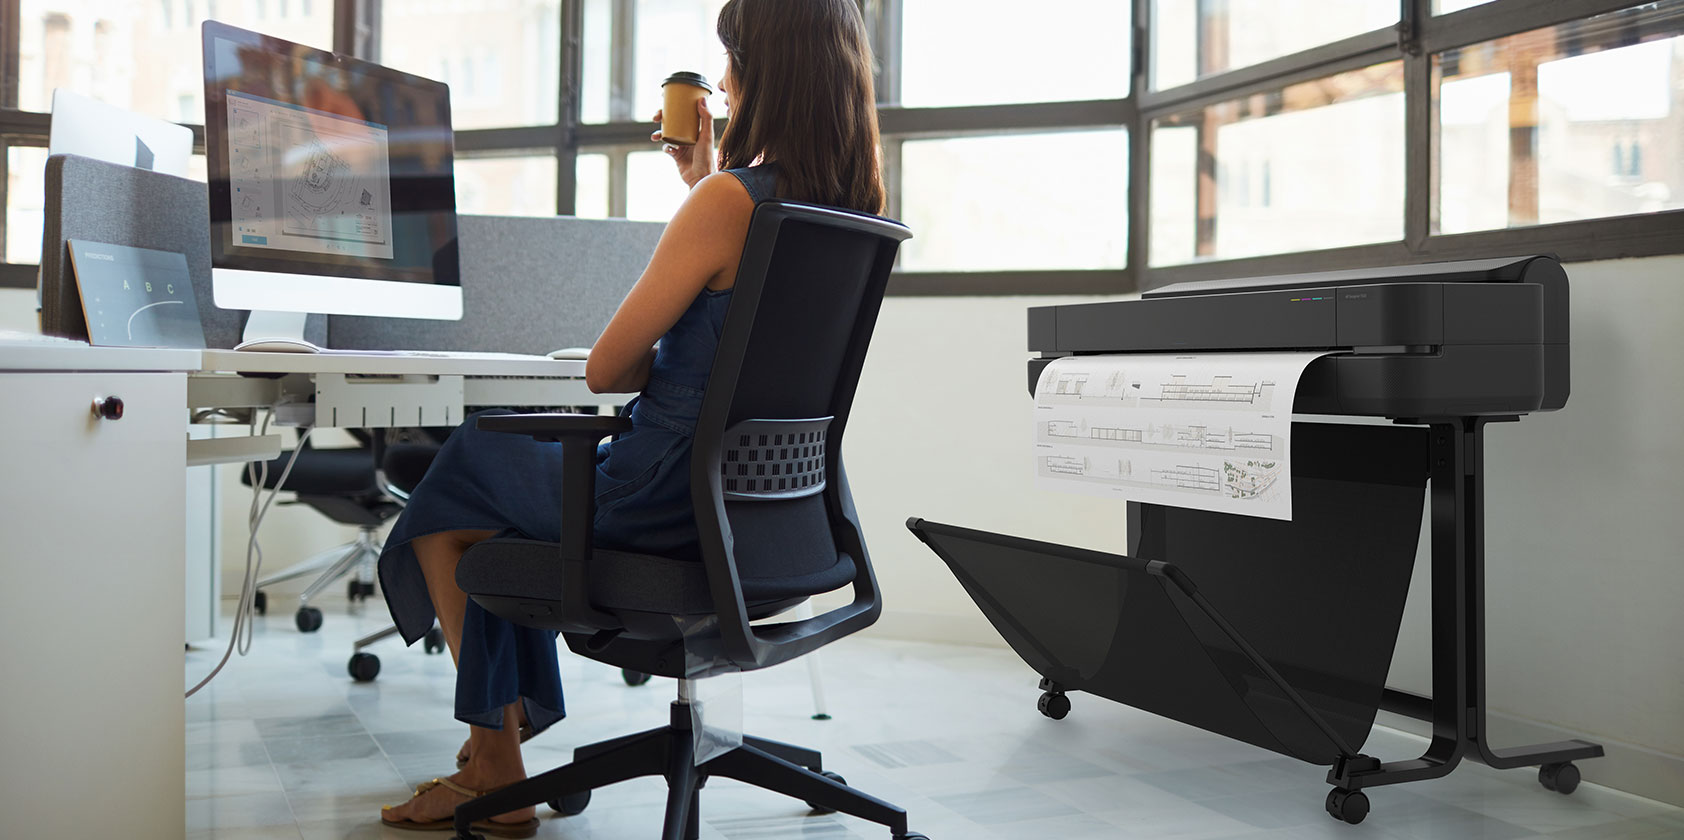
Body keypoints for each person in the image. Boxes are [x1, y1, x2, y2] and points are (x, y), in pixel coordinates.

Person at [377, 0, 885, 833]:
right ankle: (492, 753)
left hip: (661, 497)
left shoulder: (728, 203)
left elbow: (607, 369)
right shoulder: (854, 208)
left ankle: (494, 766)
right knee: (498, 514)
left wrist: (704, 196)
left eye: (731, 61)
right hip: (779, 519)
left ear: (765, 74)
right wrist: (703, 190)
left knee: (468, 458)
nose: (720, 82)